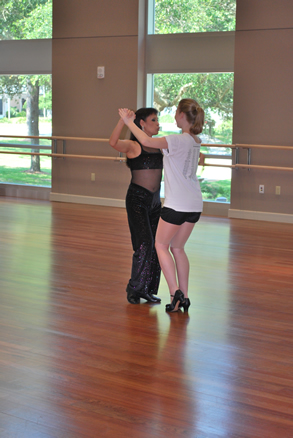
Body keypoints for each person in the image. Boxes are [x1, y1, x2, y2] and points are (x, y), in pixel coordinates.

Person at [119, 98, 205, 313]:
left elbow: (147, 142)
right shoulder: (195, 140)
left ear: (183, 116)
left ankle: (174, 293)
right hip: (195, 204)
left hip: (177, 205)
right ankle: (184, 297)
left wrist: (129, 122)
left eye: (176, 113)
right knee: (178, 248)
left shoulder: (177, 140)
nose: (174, 116)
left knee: (160, 246)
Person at [109, 108, 163, 304]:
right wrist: (123, 121)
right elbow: (113, 142)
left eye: (158, 120)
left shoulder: (158, 144)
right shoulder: (133, 145)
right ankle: (134, 289)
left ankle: (147, 289)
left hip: (156, 202)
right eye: (153, 120)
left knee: (158, 245)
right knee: (144, 244)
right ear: (142, 123)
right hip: (137, 201)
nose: (158, 124)